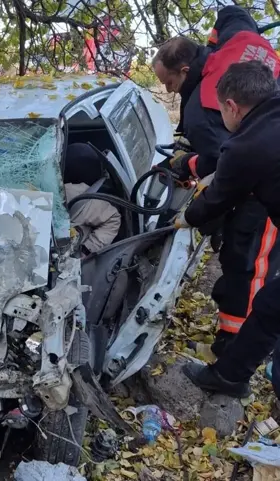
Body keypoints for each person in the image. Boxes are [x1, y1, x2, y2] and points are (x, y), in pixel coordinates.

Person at [152, 5, 280, 357]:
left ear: (185, 69)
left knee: (247, 260)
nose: (169, 90)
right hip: (268, 149)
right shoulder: (236, 39)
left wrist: (193, 198)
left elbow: (227, 166)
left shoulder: (201, 110)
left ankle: (235, 345)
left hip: (265, 185)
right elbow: (233, 12)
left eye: (170, 83)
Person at [175, 61, 280, 398]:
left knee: (269, 306)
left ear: (232, 106)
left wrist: (185, 218)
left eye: (221, 109)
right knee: (270, 306)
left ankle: (231, 376)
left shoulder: (246, 146)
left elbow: (217, 199)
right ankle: (230, 376)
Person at [63, 143, 121, 256]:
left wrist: (86, 249)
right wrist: (87, 249)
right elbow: (114, 218)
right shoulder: (87, 199)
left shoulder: (40, 185)